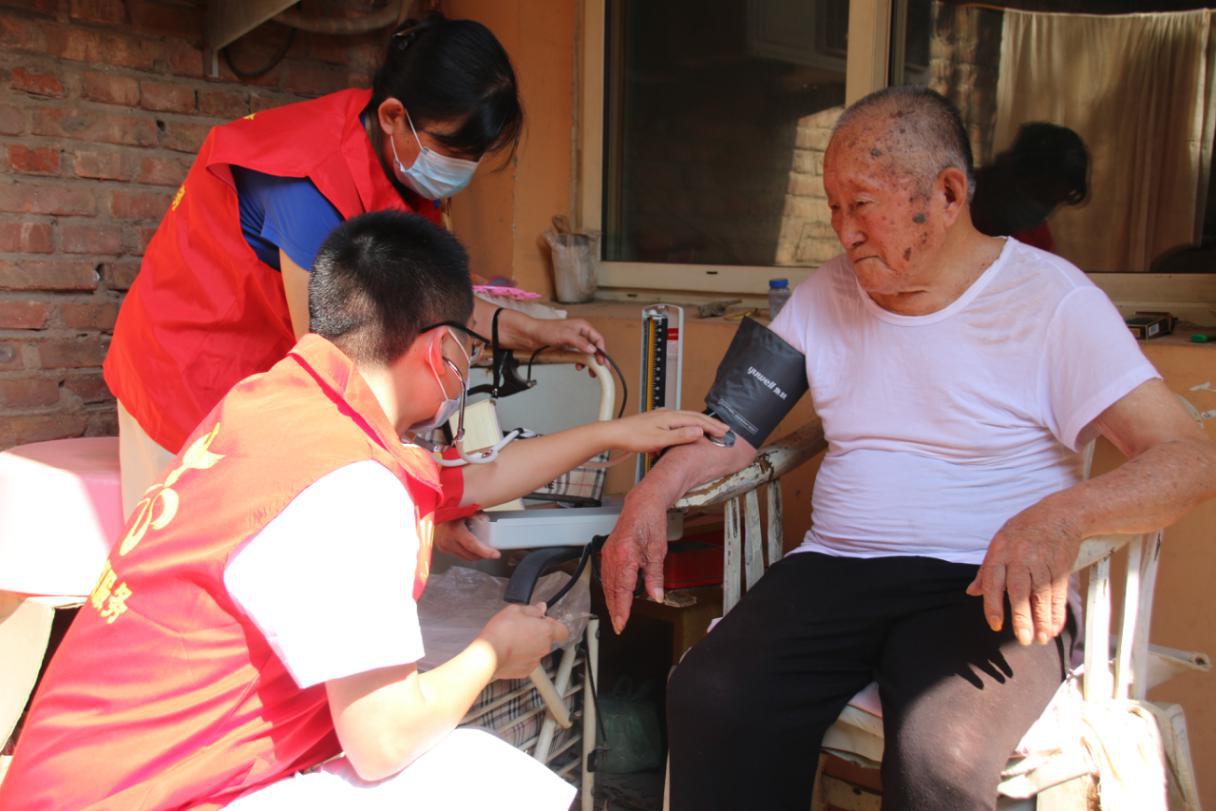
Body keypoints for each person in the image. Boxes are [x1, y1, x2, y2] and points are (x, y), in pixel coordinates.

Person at [600, 87, 1216, 810]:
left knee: (940, 755)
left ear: (948, 194)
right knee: (712, 694)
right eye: (833, 207)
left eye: (862, 204)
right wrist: (651, 493)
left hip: (987, 582)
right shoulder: (825, 294)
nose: (844, 232)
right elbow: (730, 428)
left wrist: (1063, 516)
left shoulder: (1052, 300)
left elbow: (1188, 456)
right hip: (837, 570)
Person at [0, 212, 727, 810]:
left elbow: (473, 477)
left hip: (67, 778)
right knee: (480, 778)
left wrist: (613, 432)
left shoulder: (275, 402)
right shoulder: (353, 484)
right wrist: (492, 654)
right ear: (443, 352)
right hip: (142, 795)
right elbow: (381, 740)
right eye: (470, 350)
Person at [104, 13, 607, 519]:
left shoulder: (400, 165)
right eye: (452, 151)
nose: (462, 170)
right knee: (200, 540)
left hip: (278, 381)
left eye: (473, 155)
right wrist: (424, 497)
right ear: (393, 116)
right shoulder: (308, 182)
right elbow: (330, 365)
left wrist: (533, 332)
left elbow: (428, 295)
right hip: (191, 372)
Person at [971, 121, 1089, 253]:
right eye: (1040, 194)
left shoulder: (1036, 242)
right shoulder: (960, 201)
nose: (1039, 210)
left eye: (1052, 203)